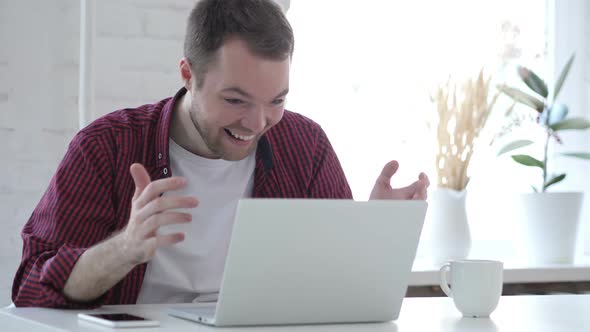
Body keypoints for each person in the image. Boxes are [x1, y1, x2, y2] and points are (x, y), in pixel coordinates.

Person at [12, 0, 429, 308]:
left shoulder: (304, 145)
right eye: (235, 100)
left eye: (276, 100)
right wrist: (125, 249)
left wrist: (375, 231)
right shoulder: (105, 147)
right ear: (188, 75)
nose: (257, 122)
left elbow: (340, 290)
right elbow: (32, 286)